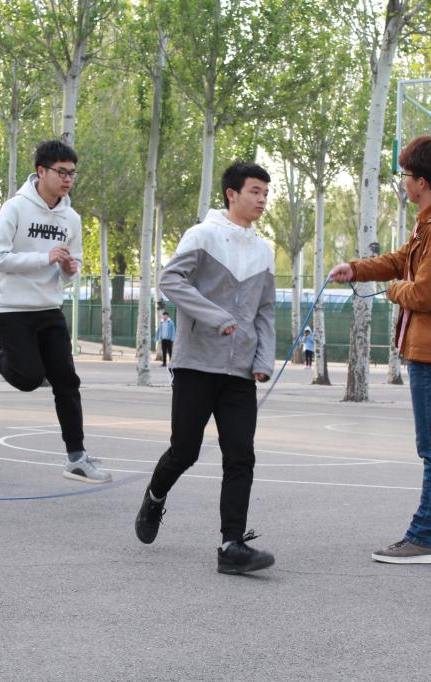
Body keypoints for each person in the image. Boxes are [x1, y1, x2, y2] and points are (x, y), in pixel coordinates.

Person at [329, 136, 431, 565]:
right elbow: (401, 261)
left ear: (422, 182)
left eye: (406, 176)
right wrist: (356, 269)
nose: (404, 182)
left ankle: (423, 538)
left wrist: (394, 290)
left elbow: (426, 294)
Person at [134, 161, 277, 575]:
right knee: (185, 451)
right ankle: (154, 498)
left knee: (241, 455)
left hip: (240, 373)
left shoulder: (263, 251)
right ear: (232, 194)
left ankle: (231, 545)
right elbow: (171, 281)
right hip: (196, 364)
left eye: (266, 194)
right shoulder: (203, 235)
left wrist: (262, 359)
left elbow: (266, 311)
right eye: (255, 192)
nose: (262, 200)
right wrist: (215, 316)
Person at [0, 140, 111, 484]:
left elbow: (70, 268)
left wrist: (69, 269)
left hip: (49, 307)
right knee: (29, 378)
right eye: (61, 172)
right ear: (42, 171)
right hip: (12, 308)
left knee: (67, 381)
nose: (68, 179)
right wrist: (44, 258)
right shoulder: (15, 208)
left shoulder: (71, 218)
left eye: (72, 173)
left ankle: (76, 458)